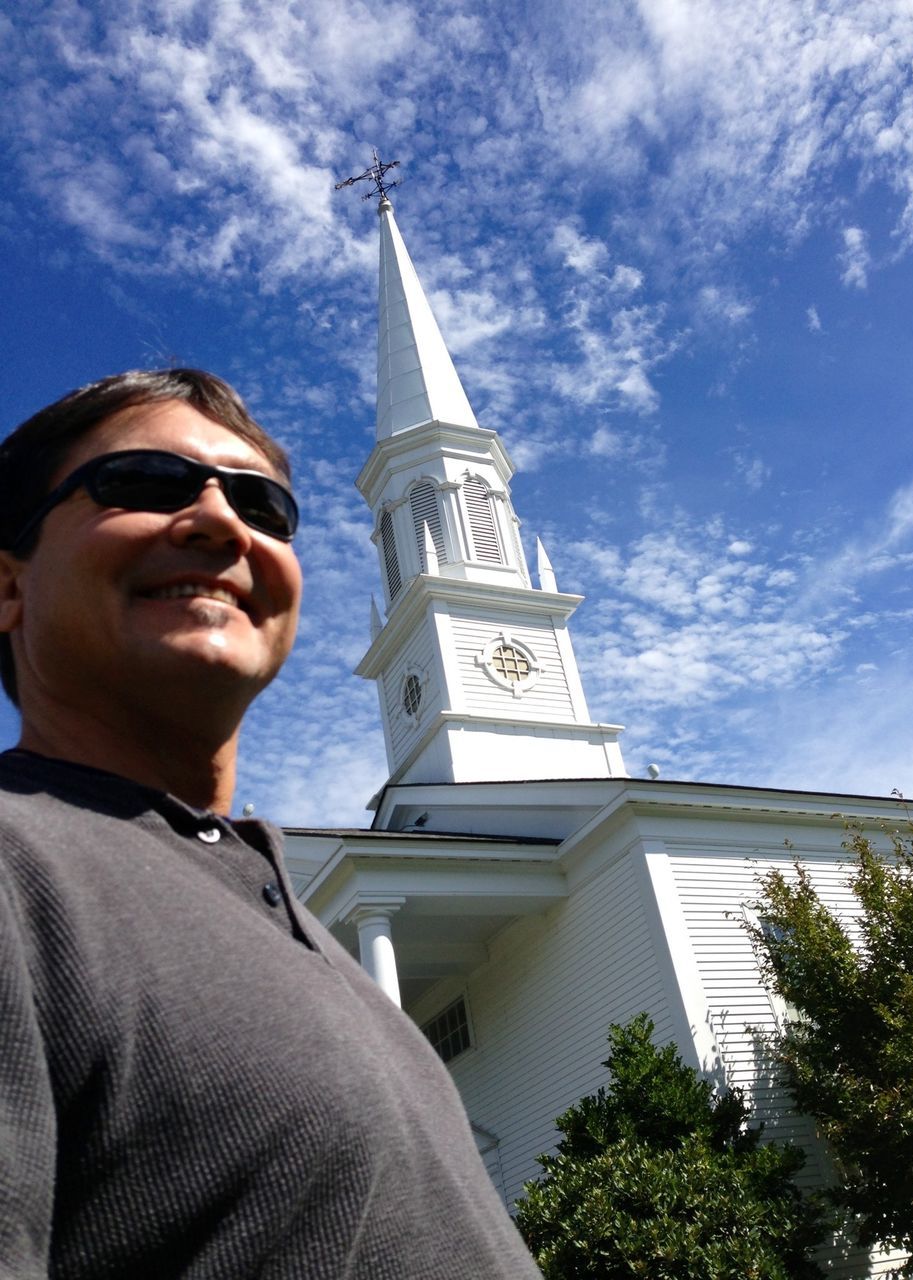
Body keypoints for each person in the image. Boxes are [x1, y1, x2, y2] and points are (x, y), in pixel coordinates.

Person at [0, 369, 542, 1279]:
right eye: (142, 482)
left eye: (264, 506)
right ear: (8, 588)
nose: (221, 522)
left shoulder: (308, 936)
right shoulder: (21, 868)